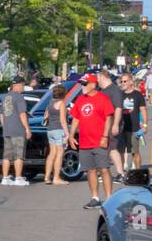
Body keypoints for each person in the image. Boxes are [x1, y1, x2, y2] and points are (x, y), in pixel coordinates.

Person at [70, 73, 114, 209]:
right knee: (90, 170)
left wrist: (105, 136)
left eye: (84, 84)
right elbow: (76, 118)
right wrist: (71, 135)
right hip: (84, 142)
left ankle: (109, 199)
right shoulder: (80, 100)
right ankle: (95, 198)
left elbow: (109, 118)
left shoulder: (103, 99)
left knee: (104, 169)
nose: (82, 87)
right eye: (82, 84)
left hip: (100, 140)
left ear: (93, 84)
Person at [0, 76, 32, 186]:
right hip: (18, 130)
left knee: (7, 156)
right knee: (19, 155)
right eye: (23, 85)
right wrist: (27, 128)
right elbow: (22, 114)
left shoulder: (5, 97)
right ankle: (18, 178)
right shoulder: (19, 97)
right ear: (19, 84)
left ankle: (5, 177)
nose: (23, 87)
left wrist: (5, 126)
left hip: (7, 130)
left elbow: (1, 114)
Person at [97, 69, 126, 181]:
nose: (97, 81)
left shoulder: (115, 91)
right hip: (103, 124)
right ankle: (103, 173)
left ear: (103, 77)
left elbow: (118, 108)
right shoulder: (102, 90)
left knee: (113, 148)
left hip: (112, 123)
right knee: (104, 149)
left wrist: (115, 124)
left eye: (98, 78)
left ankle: (121, 174)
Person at [118, 72, 147, 170]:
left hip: (134, 128)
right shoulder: (119, 95)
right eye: (121, 81)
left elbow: (143, 110)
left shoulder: (137, 95)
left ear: (131, 82)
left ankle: (138, 172)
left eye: (125, 81)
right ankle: (121, 173)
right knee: (120, 152)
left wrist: (145, 125)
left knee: (135, 152)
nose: (123, 83)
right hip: (121, 128)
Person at [42, 83, 71, 185]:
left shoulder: (50, 103)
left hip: (50, 130)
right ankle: (56, 178)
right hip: (59, 130)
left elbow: (46, 116)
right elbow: (63, 120)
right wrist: (67, 134)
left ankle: (46, 177)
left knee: (52, 153)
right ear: (63, 94)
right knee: (60, 153)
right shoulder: (61, 103)